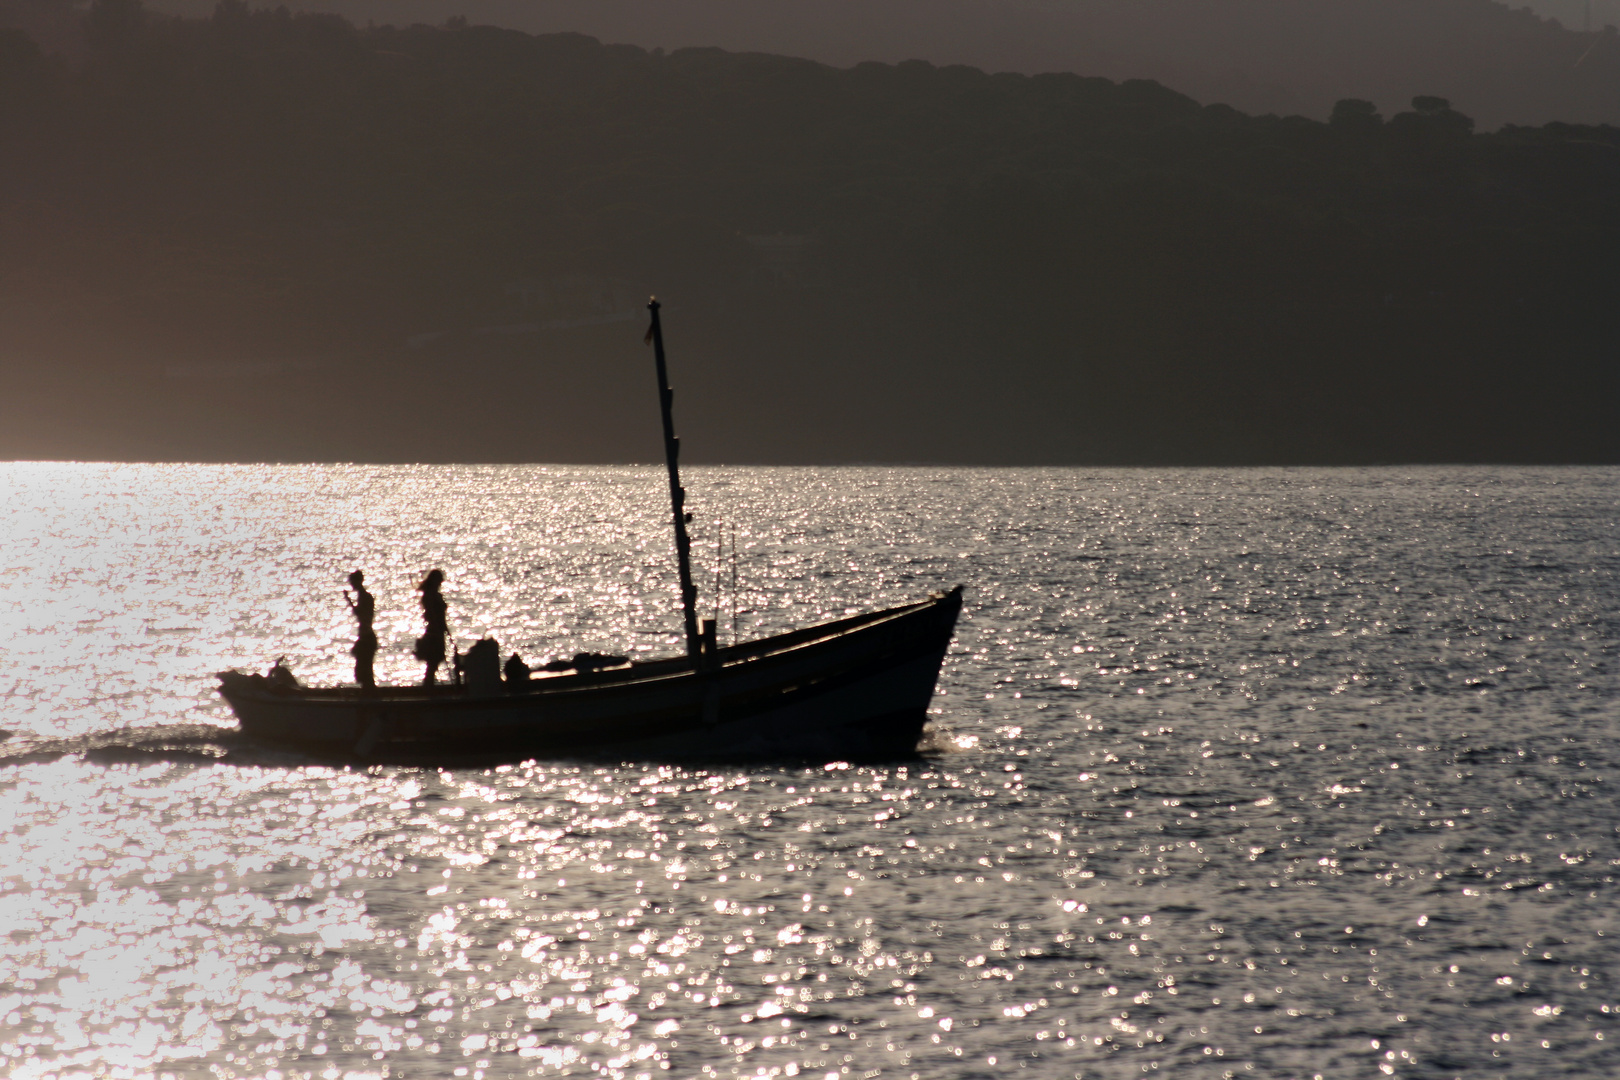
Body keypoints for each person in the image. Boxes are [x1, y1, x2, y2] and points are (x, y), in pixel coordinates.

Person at [413, 569, 449, 685]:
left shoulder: (434, 595)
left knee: (435, 659)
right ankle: (428, 686)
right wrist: (439, 626)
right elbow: (432, 613)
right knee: (434, 659)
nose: (439, 584)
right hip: (434, 631)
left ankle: (429, 684)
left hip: (438, 629)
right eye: (438, 581)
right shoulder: (429, 595)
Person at [344, 570, 378, 690]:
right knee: (364, 670)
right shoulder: (363, 596)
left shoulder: (365, 596)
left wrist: (348, 600)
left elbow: (361, 615)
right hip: (365, 637)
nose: (352, 585)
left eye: (353, 582)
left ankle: (369, 695)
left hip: (367, 637)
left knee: (365, 671)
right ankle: (368, 693)